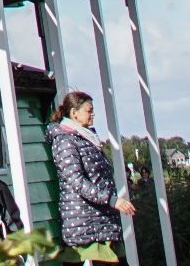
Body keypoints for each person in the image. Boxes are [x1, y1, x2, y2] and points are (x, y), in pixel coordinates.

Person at [48, 90, 134, 262]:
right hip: (84, 224)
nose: (92, 115)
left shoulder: (86, 138)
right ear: (74, 113)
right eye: (89, 111)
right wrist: (111, 200)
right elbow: (76, 181)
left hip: (102, 221)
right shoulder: (65, 140)